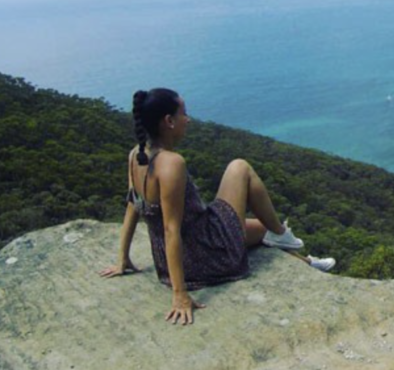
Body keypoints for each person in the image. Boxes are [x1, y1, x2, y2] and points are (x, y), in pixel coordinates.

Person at [99, 88, 336, 325]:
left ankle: (306, 262)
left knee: (262, 231)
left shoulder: (135, 155)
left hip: (171, 262)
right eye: (183, 113)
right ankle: (281, 233)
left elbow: (133, 205)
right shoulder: (171, 164)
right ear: (169, 121)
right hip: (208, 252)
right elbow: (172, 230)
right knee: (239, 167)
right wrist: (180, 295)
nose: (188, 119)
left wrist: (123, 258)